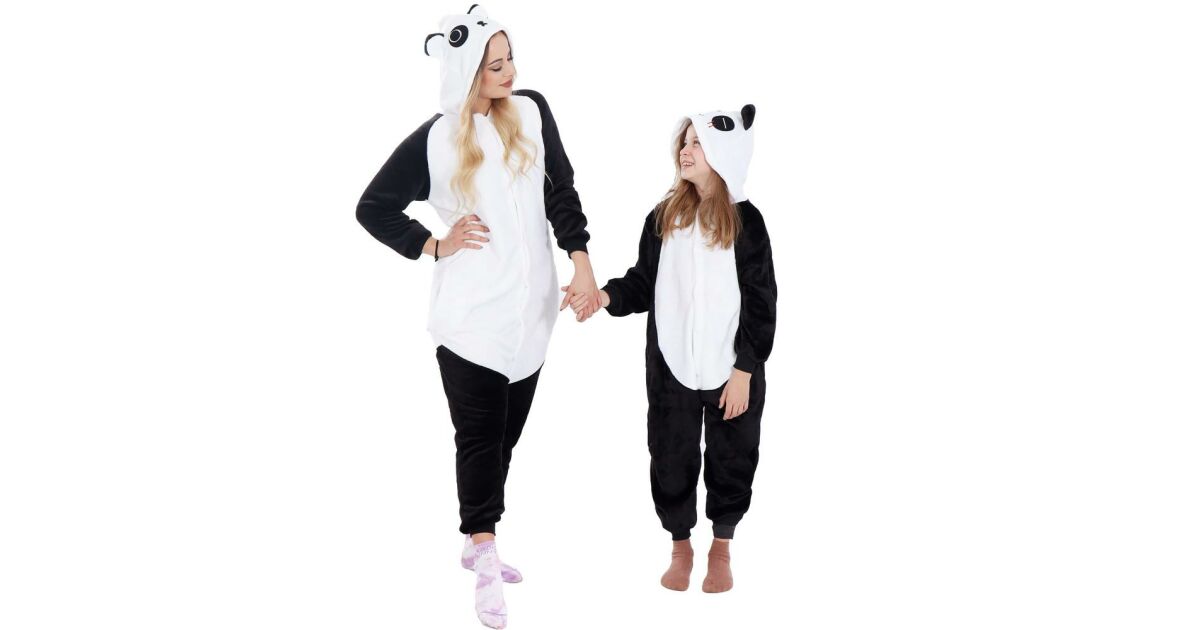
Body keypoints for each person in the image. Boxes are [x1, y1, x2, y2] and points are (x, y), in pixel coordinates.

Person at [356, 6, 600, 627]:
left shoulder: (533, 112)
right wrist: (433, 244)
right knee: (479, 437)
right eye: (494, 66)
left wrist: (581, 263)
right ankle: (485, 552)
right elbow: (373, 206)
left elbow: (561, 191)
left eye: (510, 58)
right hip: (470, 321)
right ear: (467, 71)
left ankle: (476, 538)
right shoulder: (437, 139)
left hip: (533, 317)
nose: (510, 72)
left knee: (504, 439)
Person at [575, 104, 776, 593]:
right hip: (672, 367)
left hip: (731, 370)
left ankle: (721, 547)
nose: (686, 151)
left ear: (724, 150)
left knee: (732, 456)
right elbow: (644, 282)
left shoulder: (746, 222)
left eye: (697, 142)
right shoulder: (664, 217)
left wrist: (745, 370)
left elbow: (761, 301)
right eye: (684, 143)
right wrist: (605, 297)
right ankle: (680, 546)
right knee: (670, 455)